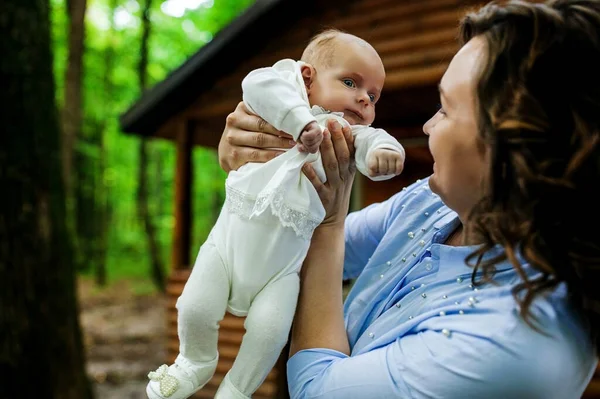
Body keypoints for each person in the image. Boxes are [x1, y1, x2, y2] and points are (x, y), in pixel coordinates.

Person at [217, 0, 600, 397]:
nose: (428, 125)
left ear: (518, 148)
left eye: (447, 110)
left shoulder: (510, 348)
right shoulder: (437, 204)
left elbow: (318, 389)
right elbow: (283, 254)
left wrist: (328, 223)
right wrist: (255, 171)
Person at [145, 31, 405, 399]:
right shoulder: (285, 100)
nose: (363, 98)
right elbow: (256, 82)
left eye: (373, 96)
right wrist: (300, 122)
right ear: (308, 78)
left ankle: (236, 390)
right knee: (193, 306)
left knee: (270, 332)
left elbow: (373, 141)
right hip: (227, 248)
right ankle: (194, 362)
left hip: (282, 270)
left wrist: (385, 153)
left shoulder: (347, 133)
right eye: (350, 82)